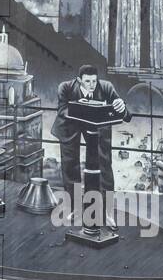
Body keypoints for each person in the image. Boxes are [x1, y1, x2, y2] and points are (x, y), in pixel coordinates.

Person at [51, 64, 130, 199]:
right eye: (87, 81)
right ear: (79, 80)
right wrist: (82, 107)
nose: (92, 85)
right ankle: (73, 205)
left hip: (96, 128)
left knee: (104, 163)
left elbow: (127, 116)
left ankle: (105, 206)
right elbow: (62, 110)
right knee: (70, 165)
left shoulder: (106, 87)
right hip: (70, 128)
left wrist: (121, 107)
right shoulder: (65, 87)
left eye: (94, 81)